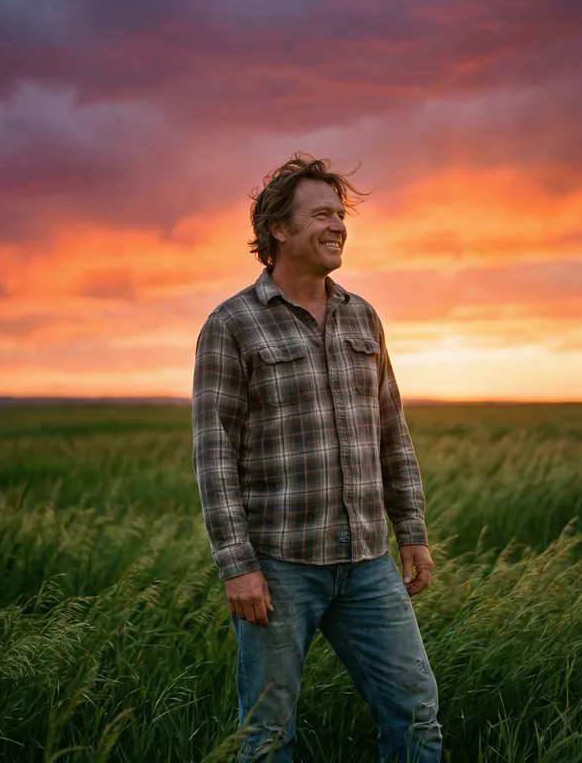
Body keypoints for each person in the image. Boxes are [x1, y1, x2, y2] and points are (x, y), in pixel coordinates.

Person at [192, 153, 443, 762]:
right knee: (267, 735)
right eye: (322, 214)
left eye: (341, 214)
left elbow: (392, 431)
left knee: (416, 716)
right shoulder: (233, 324)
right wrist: (237, 566)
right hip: (279, 568)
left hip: (368, 563)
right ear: (279, 228)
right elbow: (214, 454)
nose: (338, 226)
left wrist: (411, 530)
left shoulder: (363, 316)